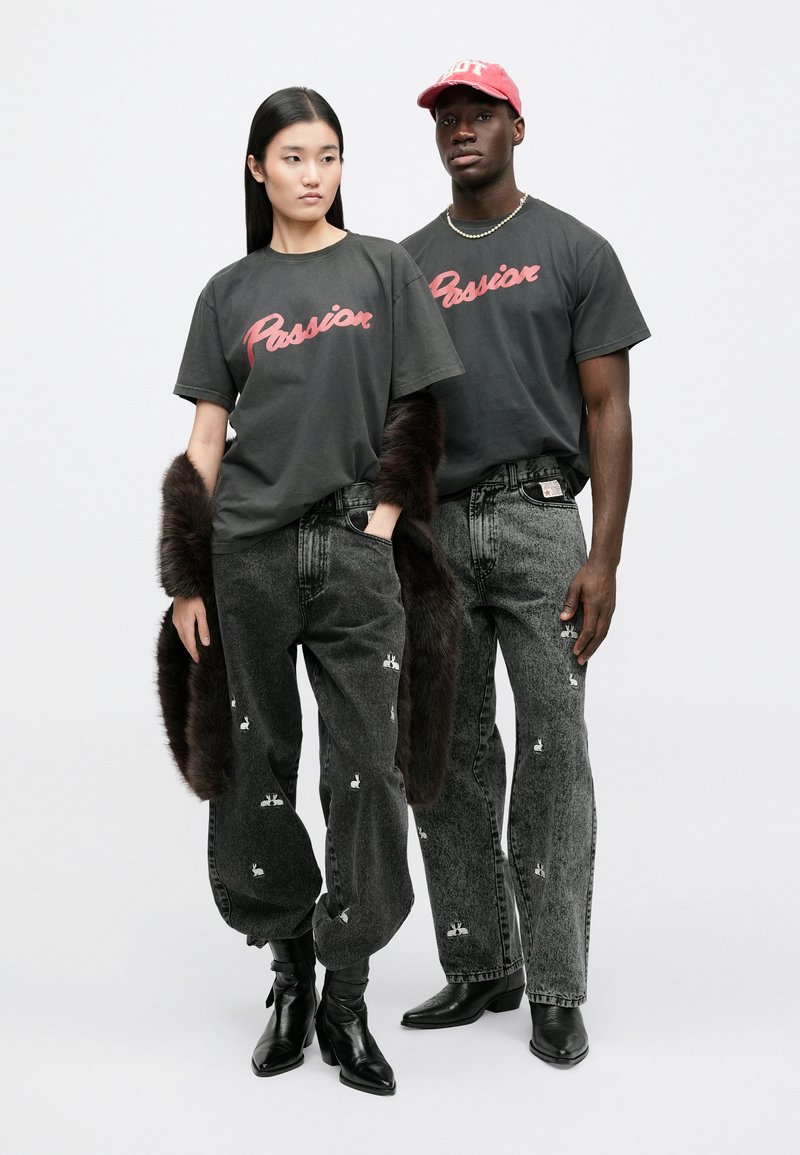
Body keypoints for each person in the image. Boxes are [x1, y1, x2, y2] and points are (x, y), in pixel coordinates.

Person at [155, 86, 463, 1096]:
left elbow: (419, 407)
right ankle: (288, 975)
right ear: (258, 169)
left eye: (327, 155)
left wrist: (383, 519)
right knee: (255, 761)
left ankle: (347, 994)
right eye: (293, 156)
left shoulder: (383, 268)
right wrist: (186, 572)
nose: (312, 173)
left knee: (367, 767)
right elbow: (206, 440)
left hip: (353, 551)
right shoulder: (228, 292)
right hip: (245, 557)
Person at [399, 60, 650, 1066]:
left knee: (552, 747)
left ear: (516, 128)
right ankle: (479, 964)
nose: (461, 130)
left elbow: (607, 408)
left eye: (480, 116)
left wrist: (605, 557)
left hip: (540, 519)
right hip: (431, 531)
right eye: (446, 120)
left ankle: (552, 984)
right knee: (446, 752)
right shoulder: (404, 264)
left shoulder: (574, 249)